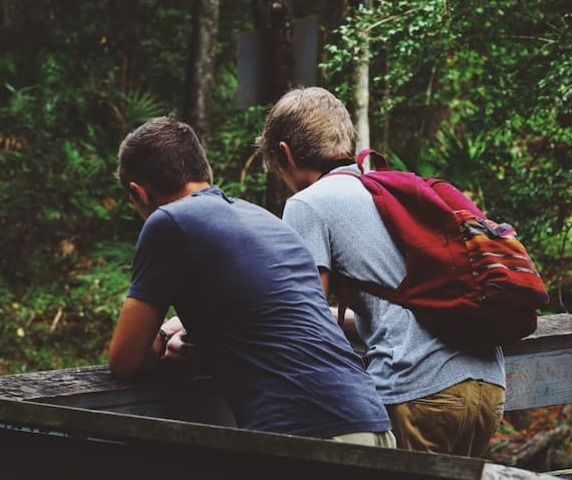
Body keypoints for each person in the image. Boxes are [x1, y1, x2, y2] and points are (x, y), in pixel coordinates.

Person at [108, 116, 395, 447]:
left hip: (307, 432)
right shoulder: (265, 221)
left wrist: (158, 337)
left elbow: (124, 360)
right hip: (371, 421)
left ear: (139, 193)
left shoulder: (168, 222)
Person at [256, 87, 506, 456]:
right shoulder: (389, 191)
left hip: (418, 389)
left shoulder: (307, 204)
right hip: (488, 386)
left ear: (285, 153)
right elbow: (397, 308)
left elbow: (302, 318)